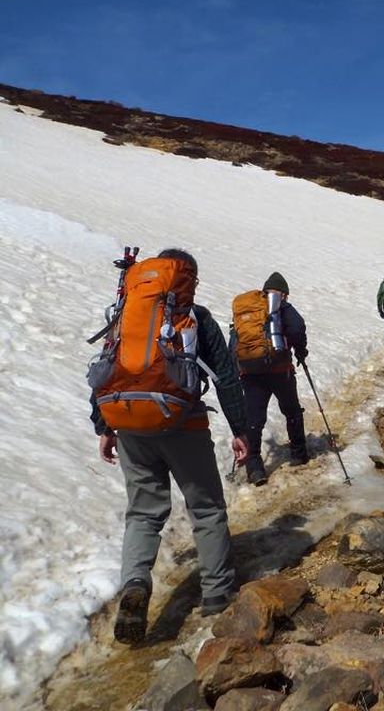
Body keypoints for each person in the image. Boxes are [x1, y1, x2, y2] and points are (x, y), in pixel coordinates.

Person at [88, 248, 249, 645]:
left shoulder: (127, 315)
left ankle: (135, 584)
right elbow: (226, 376)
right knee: (206, 508)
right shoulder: (196, 319)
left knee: (143, 513)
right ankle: (216, 595)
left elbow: (108, 368)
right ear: (187, 280)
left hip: (129, 424)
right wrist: (241, 429)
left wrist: (104, 426)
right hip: (184, 425)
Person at [231, 272, 309, 485]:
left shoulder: (247, 309)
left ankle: (255, 468)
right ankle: (298, 454)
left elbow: (235, 340)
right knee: (292, 410)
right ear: (283, 293)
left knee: (254, 419)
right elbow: (296, 328)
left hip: (250, 373)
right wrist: (300, 351)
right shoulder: (280, 306)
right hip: (280, 370)